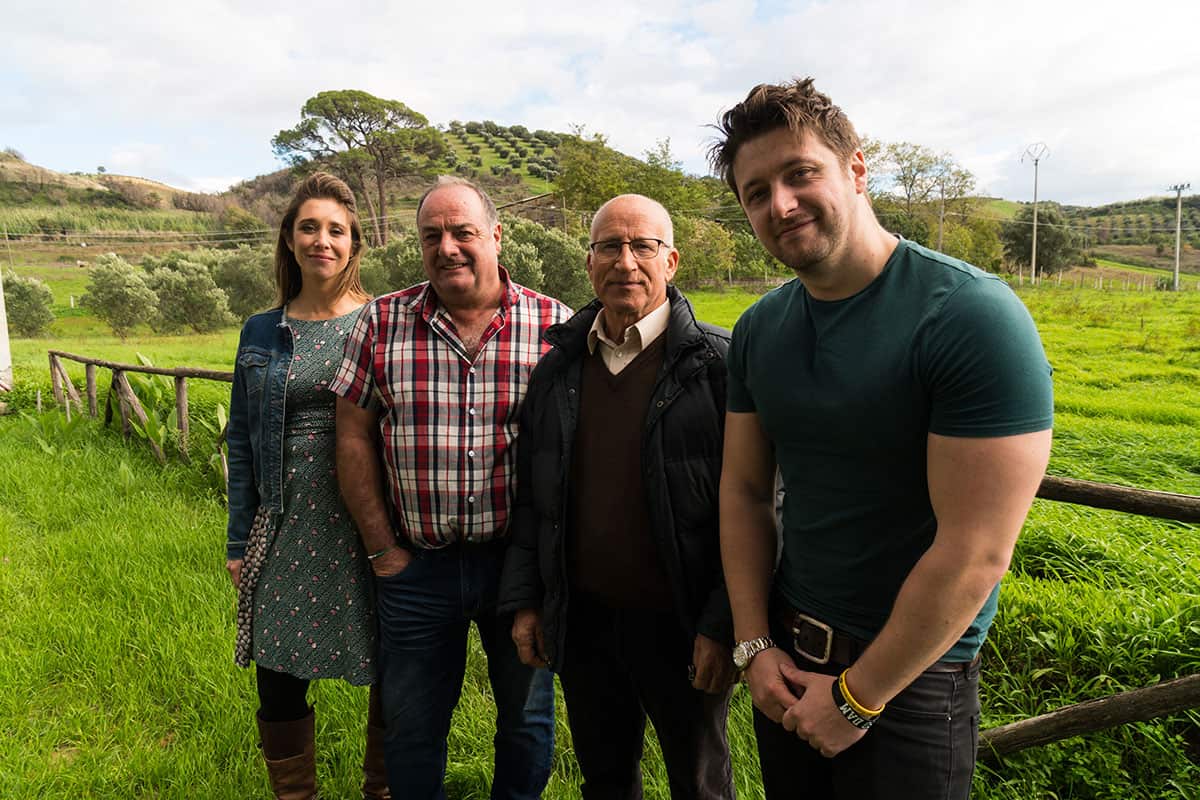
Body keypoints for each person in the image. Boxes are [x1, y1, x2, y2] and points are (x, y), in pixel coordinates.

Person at [708, 78, 1054, 799]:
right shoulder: (759, 331)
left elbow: (977, 550)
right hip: (785, 661)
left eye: (801, 173)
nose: (781, 204)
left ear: (856, 170)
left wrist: (860, 696)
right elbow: (742, 491)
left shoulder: (971, 318)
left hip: (912, 683)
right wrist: (752, 645)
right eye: (756, 191)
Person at [331, 176, 569, 800]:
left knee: (525, 719)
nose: (448, 247)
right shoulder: (381, 321)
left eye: (463, 232)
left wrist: (546, 566)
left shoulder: (553, 324)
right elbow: (352, 436)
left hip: (516, 570)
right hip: (416, 568)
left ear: (495, 234)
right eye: (432, 235)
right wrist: (383, 549)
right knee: (412, 726)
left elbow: (577, 451)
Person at [499, 194, 738, 799]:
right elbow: (534, 497)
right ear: (589, 263)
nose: (625, 261)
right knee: (605, 780)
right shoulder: (557, 369)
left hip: (683, 623)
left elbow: (758, 505)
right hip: (585, 624)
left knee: (700, 781)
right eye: (609, 246)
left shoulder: (718, 365)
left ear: (672, 261)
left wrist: (722, 622)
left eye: (643, 246)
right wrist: (529, 600)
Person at [225, 171, 389, 800]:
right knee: (278, 671)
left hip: (369, 520)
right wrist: (240, 541)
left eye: (336, 230)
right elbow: (241, 441)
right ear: (290, 241)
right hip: (285, 519)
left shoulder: (382, 322)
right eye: (309, 227)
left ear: (353, 245)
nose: (323, 240)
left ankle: (383, 790)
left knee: (391, 667)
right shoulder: (260, 332)